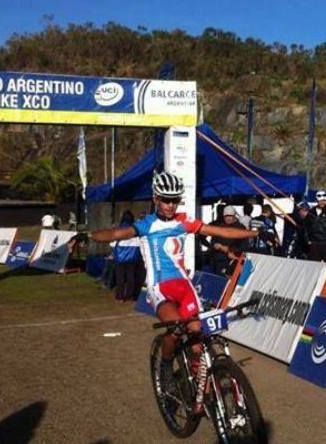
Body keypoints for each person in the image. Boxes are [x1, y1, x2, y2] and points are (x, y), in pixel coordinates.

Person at [77, 170, 257, 412]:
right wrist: (88, 235)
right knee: (175, 328)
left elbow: (221, 232)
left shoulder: (184, 222)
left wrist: (254, 233)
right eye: (165, 199)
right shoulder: (146, 225)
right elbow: (116, 233)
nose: (170, 205)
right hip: (160, 289)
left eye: (175, 200)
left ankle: (199, 387)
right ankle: (166, 366)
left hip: (185, 287)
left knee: (197, 339)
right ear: (155, 198)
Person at [201, 206, 247, 276]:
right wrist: (214, 245)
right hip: (218, 260)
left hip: (233, 260)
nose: (228, 218)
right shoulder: (220, 227)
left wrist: (231, 251)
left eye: (230, 216)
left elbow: (244, 245)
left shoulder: (240, 228)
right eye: (226, 216)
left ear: (234, 216)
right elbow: (212, 241)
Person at [112, 210, 142, 302]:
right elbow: (139, 243)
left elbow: (112, 244)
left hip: (120, 258)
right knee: (130, 277)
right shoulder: (135, 229)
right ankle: (129, 295)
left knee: (120, 278)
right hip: (132, 257)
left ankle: (120, 297)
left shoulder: (118, 229)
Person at [305, 191, 326, 263]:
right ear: (317, 201)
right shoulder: (311, 212)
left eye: (323, 201)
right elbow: (306, 227)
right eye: (320, 201)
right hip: (315, 243)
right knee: (314, 265)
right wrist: (308, 240)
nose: (322, 202)